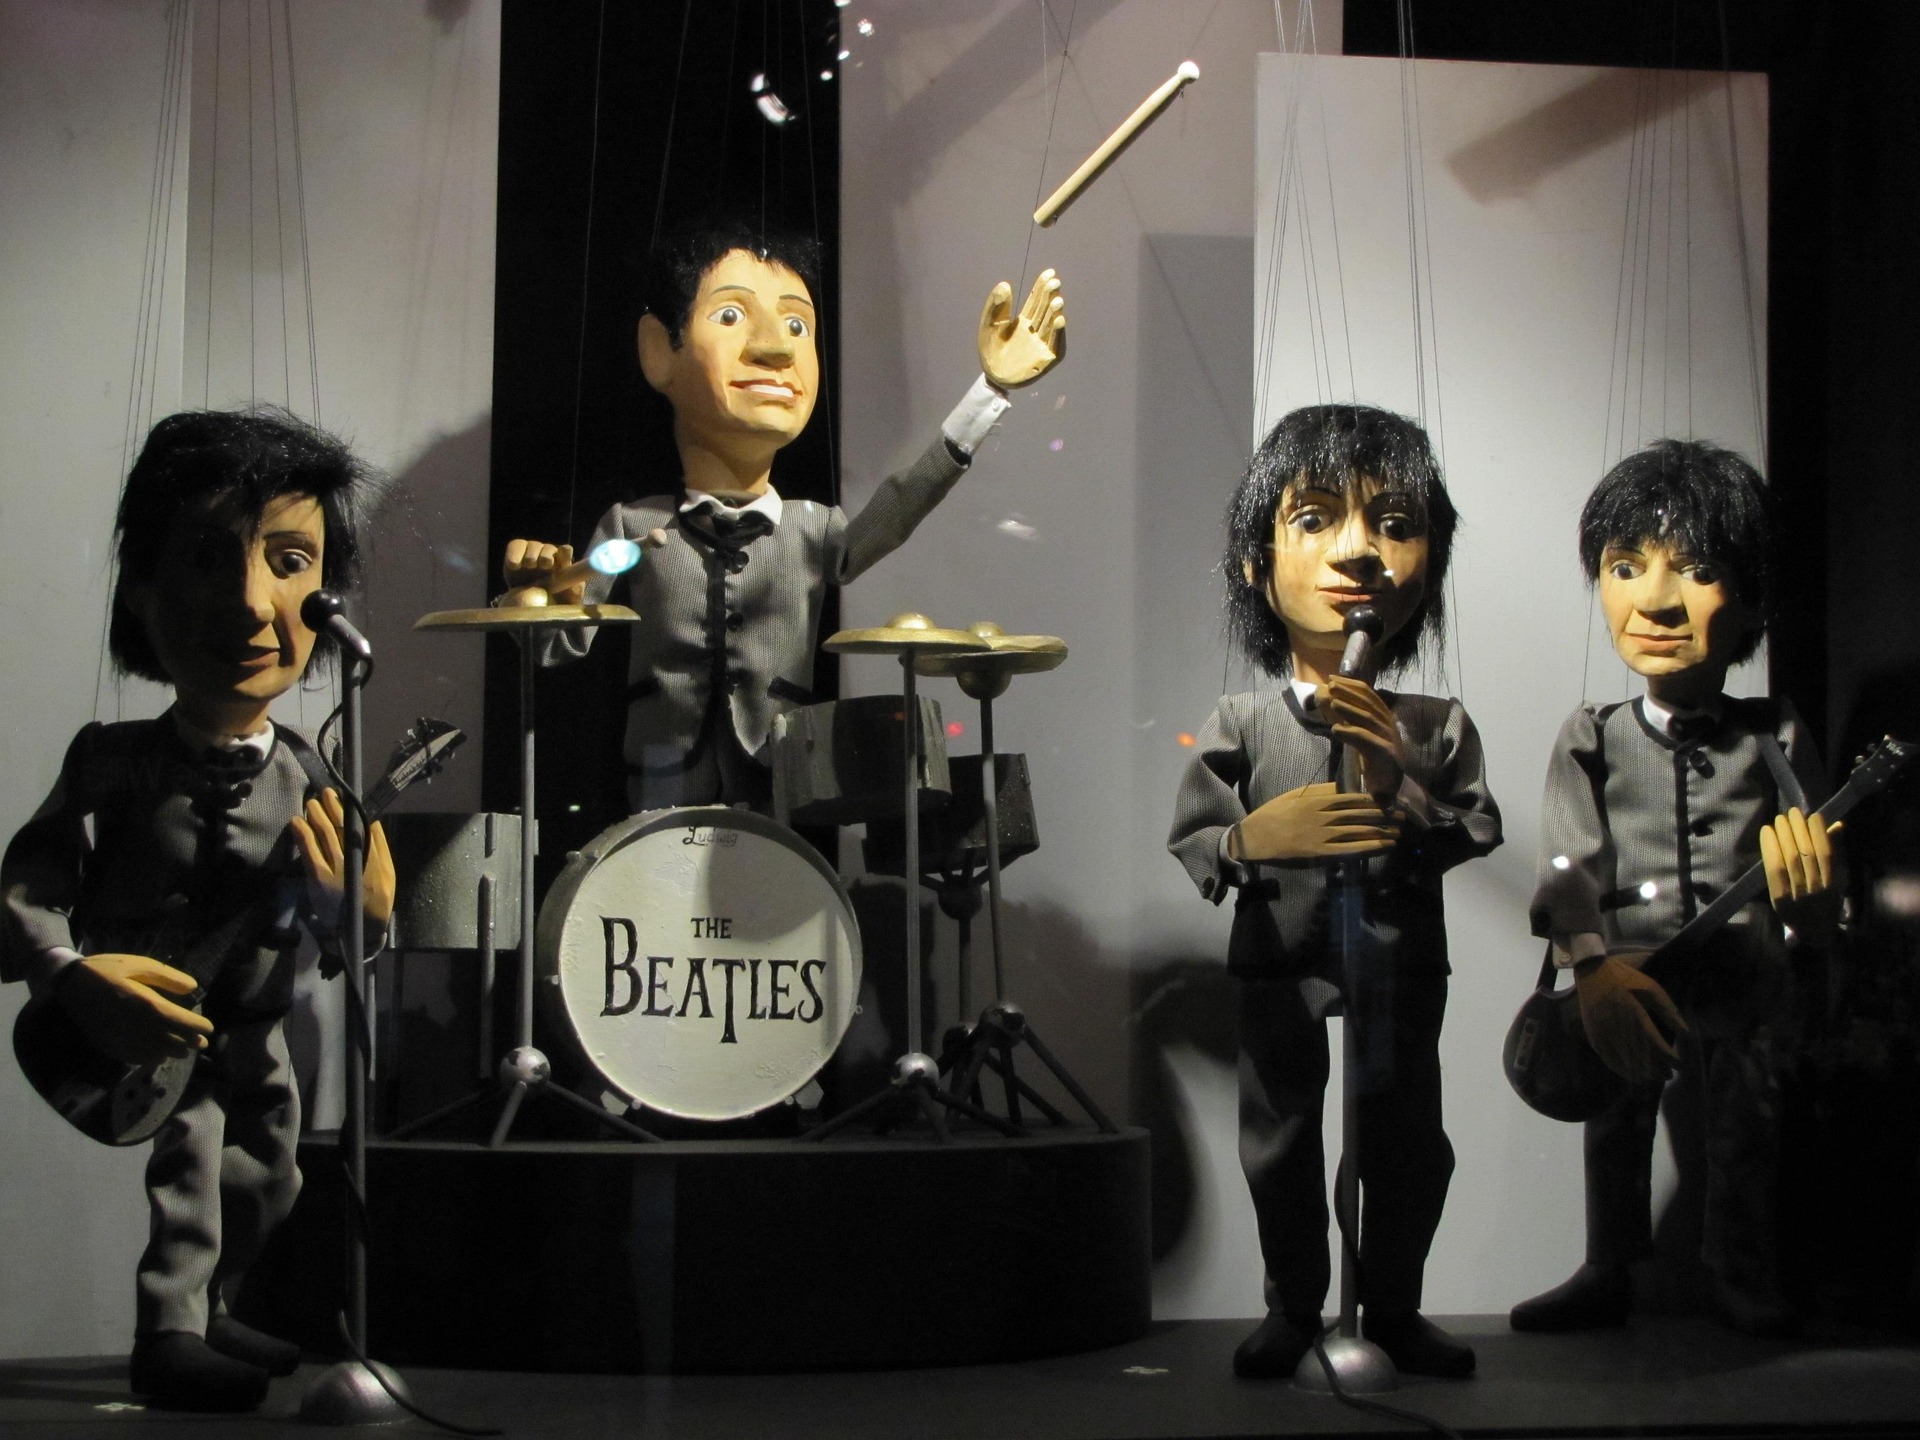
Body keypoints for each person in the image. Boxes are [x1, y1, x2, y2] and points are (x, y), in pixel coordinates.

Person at [0, 409, 395, 1411]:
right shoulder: (112, 761)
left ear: (327, 597)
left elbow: (345, 931)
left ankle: (215, 1306)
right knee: (190, 1163)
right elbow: (29, 886)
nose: (252, 603)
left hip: (255, 1027)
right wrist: (67, 972)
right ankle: (167, 1331)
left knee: (270, 1172)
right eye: (207, 560)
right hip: (147, 1024)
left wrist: (362, 915)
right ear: (142, 589)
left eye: (290, 562)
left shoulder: (310, 774)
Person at [502, 219, 1067, 812]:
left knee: (772, 868)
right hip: (661, 765)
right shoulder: (633, 526)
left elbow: (900, 505)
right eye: (730, 315)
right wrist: (531, 599)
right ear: (658, 349)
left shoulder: (813, 530)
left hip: (778, 764)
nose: (776, 349)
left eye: (798, 326)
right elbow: (556, 645)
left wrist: (988, 393)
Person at [1168, 404, 1501, 1380]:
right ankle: (1293, 1308)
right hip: (1281, 955)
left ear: (1429, 562)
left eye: (1395, 524)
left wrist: (1401, 784)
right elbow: (1196, 834)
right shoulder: (1242, 717)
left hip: (1400, 960)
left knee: (1408, 1141)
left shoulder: (1435, 723)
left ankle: (1393, 1308)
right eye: (1314, 519)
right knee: (1278, 1138)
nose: (1359, 550)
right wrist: (1252, 838)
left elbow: (1477, 826)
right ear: (1255, 563)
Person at [1510, 439, 1838, 1338]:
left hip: (1746, 969)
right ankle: (1609, 1266)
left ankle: (1740, 1270)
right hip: (1633, 969)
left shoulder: (1772, 733)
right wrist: (1590, 965)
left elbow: (1820, 854)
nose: (1655, 601)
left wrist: (1810, 912)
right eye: (1626, 567)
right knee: (1615, 1120)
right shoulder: (1594, 734)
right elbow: (1569, 863)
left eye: (1698, 570)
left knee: (1747, 1122)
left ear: (1751, 598)